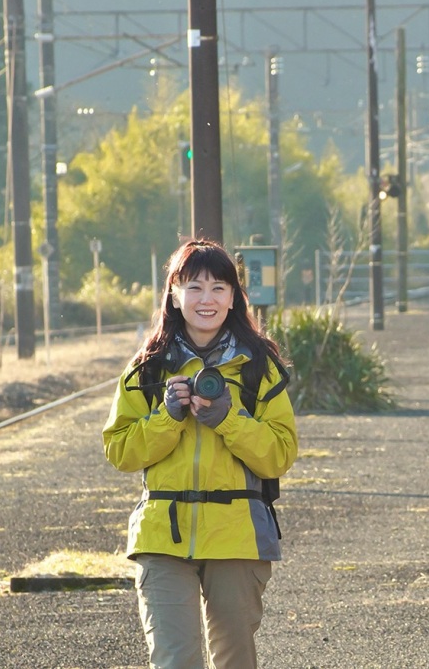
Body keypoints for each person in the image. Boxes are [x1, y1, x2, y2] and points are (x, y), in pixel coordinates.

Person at [103, 239, 298, 669]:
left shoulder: (258, 368)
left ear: (233, 297)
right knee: (175, 661)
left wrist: (229, 420)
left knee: (234, 661)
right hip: (161, 535)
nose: (206, 299)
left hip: (238, 535)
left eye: (218, 288)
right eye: (193, 287)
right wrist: (167, 418)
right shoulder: (148, 368)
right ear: (174, 295)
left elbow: (280, 455)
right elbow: (119, 450)